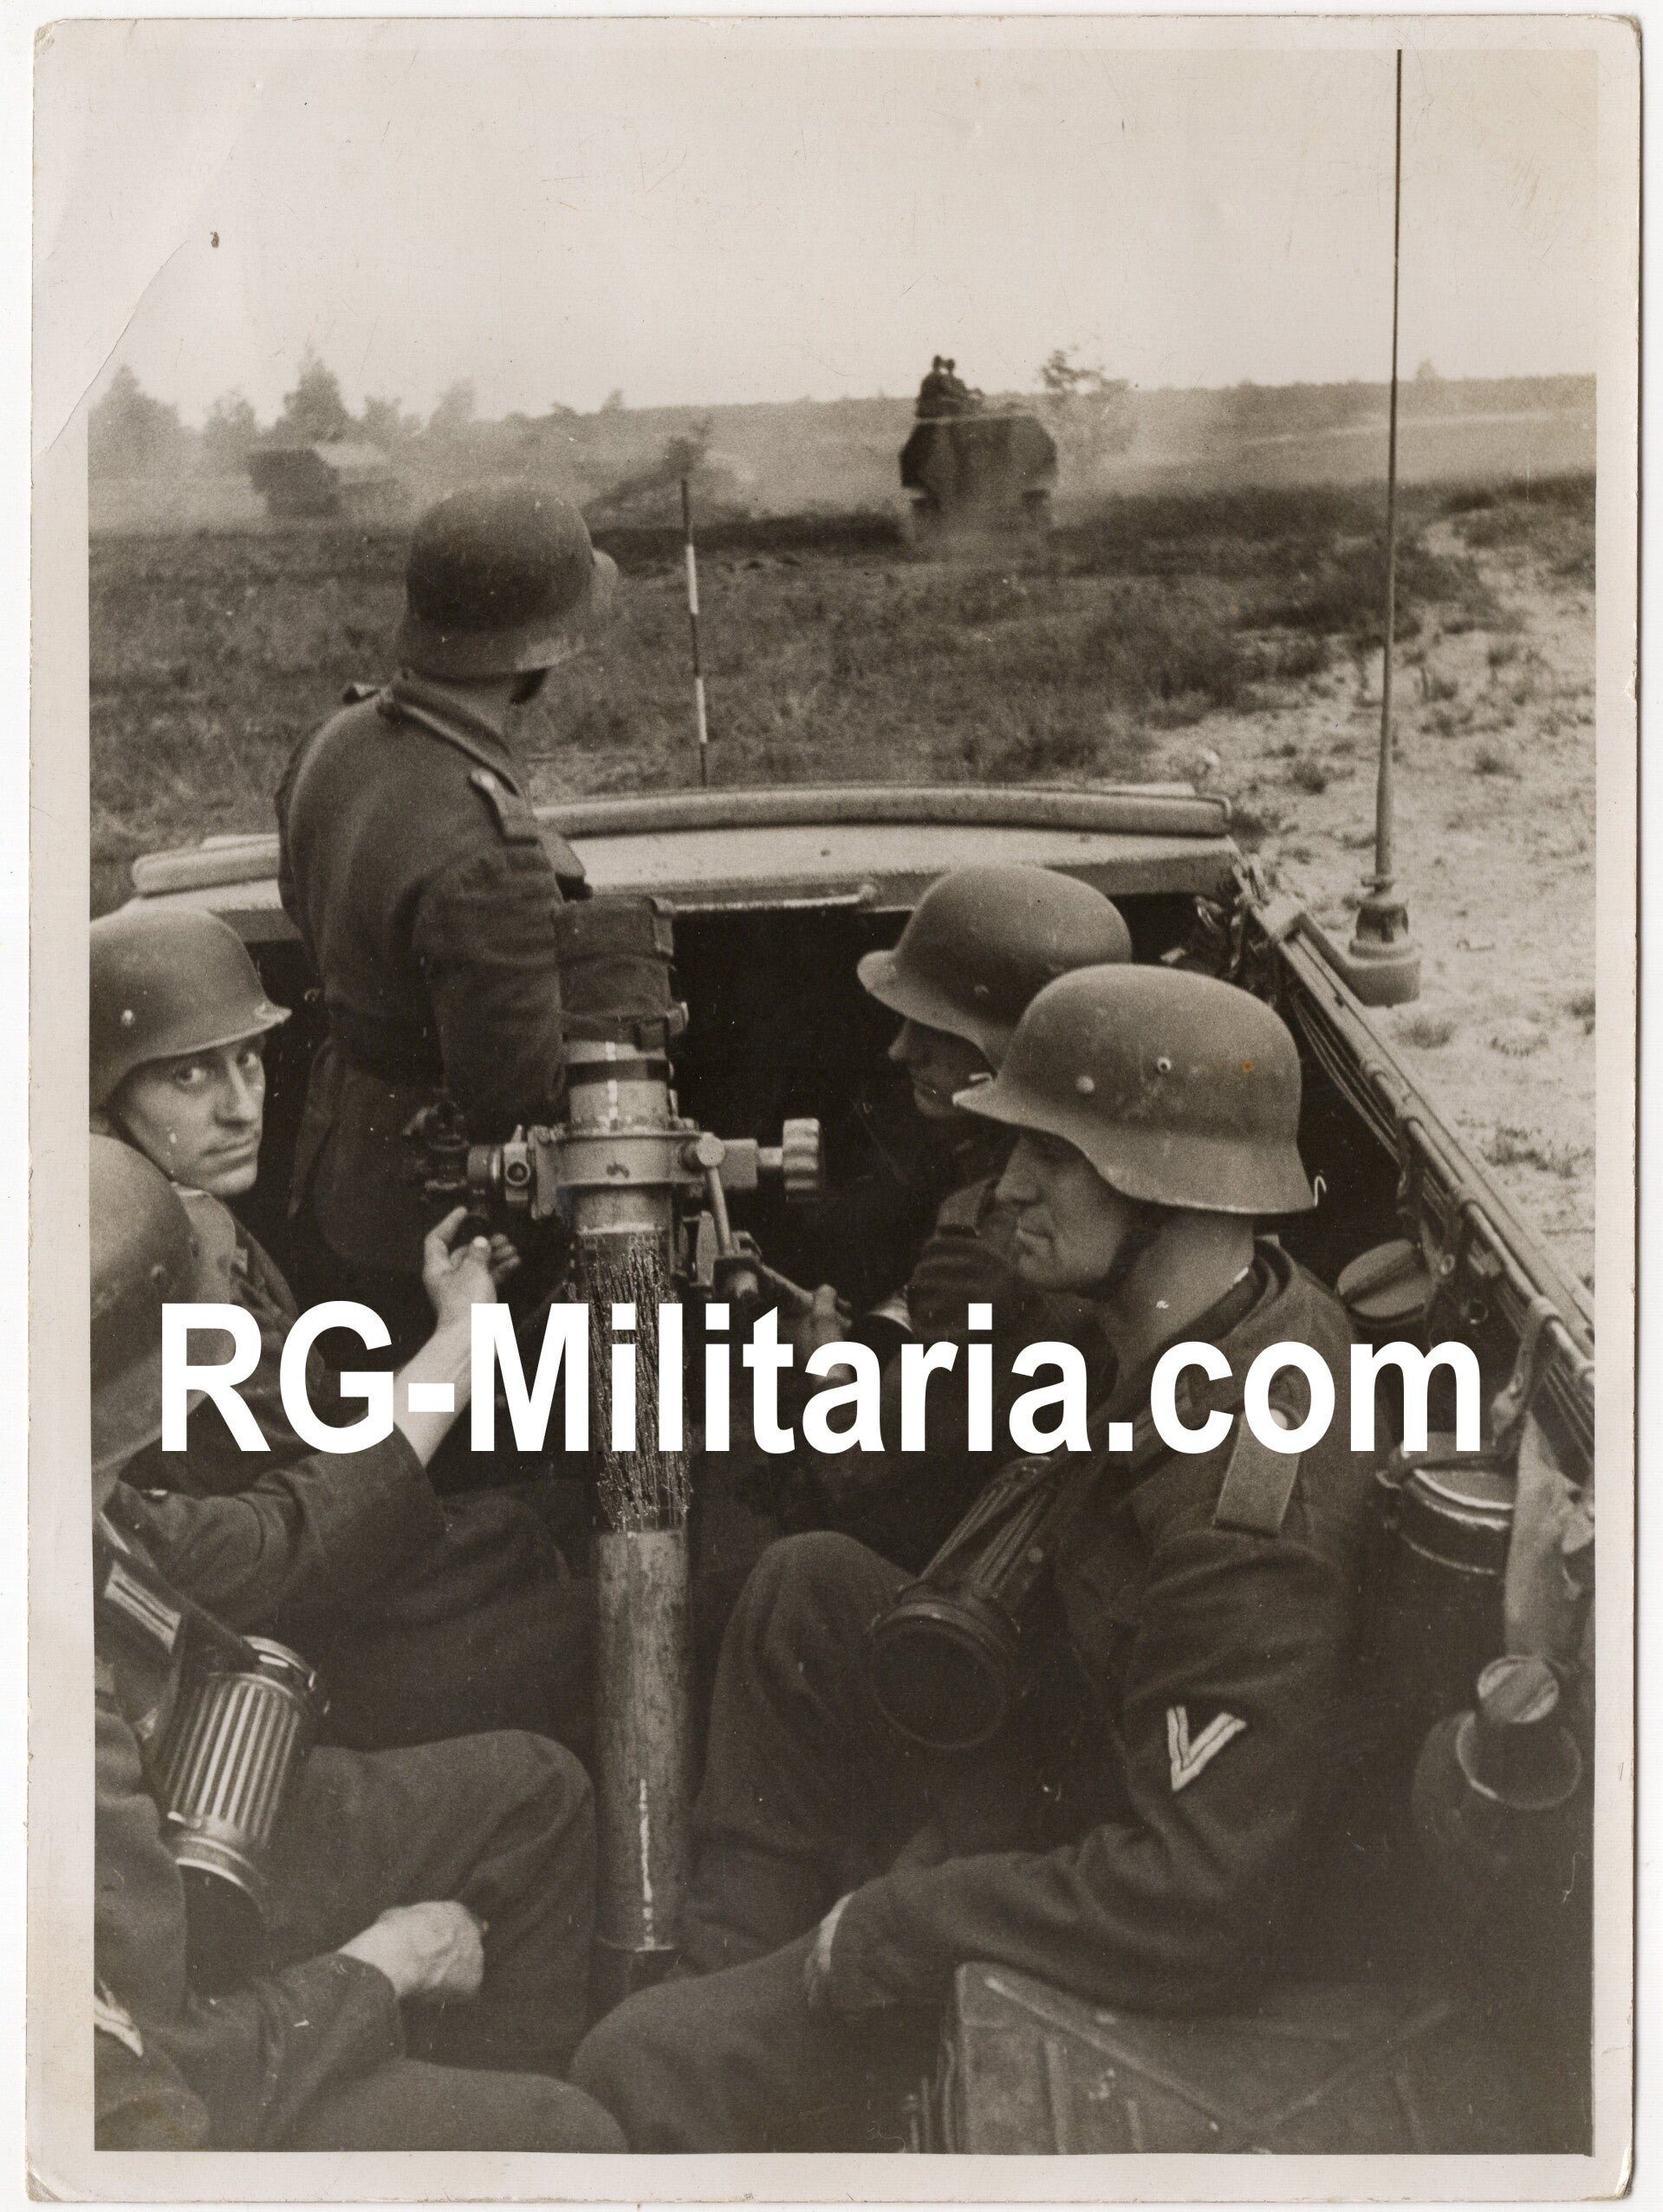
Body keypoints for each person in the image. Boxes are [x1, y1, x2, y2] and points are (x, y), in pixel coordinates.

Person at [571, 966, 1372, 2151]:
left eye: (1051, 1160)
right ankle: (724, 1976)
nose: (1008, 1190)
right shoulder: (1199, 1313)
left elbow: (1195, 1901)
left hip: (1131, 1899)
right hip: (1069, 1758)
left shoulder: (1244, 1516)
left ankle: (704, 2059)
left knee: (627, 2065)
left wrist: (894, 1927)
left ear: (1161, 1189)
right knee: (808, 1587)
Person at [91, 1140, 623, 2151]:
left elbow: (282, 1532)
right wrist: (386, 1964)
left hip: (166, 1834)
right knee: (570, 2133)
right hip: (156, 2062)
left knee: (534, 1794)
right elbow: (164, 2079)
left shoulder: (89, 1502)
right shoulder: (54, 1699)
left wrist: (459, 1339)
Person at [90, 907, 598, 1757]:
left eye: (247, 1058)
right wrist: (459, 1341)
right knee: (644, 1617)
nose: (241, 1105)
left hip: (311, 1580)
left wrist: (455, 1318)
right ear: (107, 1099)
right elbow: (308, 1508)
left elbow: (305, 1422)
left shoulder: (191, 1216)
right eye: (188, 1077)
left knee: (541, 1524)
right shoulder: (146, 1268)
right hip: (289, 1645)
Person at [276, 480, 617, 1354]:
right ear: (540, 650)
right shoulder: (489, 850)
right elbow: (519, 1099)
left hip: (341, 1168)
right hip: (451, 1234)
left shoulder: (335, 739)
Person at [779, 864, 1130, 1567]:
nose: (900, 1049)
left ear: (1017, 1051)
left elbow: (846, 1461)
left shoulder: (990, 1242)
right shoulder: (1087, 1182)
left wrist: (822, 1359)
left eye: (937, 1030)